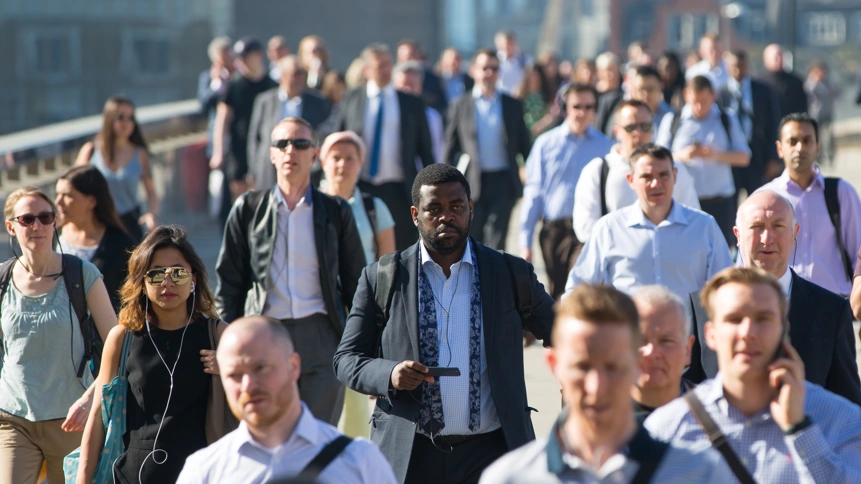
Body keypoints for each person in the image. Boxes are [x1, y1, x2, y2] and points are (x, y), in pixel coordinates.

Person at [334, 163, 556, 484]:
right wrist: (390, 374)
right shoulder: (383, 277)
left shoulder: (509, 273)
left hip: (492, 452)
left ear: (471, 209)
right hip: (411, 453)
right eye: (434, 209)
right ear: (415, 214)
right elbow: (346, 360)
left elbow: (564, 333)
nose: (446, 217)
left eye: (456, 207)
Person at [479, 285, 730, 484]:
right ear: (555, 366)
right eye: (582, 367)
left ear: (637, 364)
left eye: (613, 367)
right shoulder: (510, 478)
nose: (597, 387)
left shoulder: (701, 474)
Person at [646, 267, 861, 482]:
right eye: (734, 319)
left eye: (762, 318)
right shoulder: (667, 429)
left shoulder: (843, 422)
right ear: (710, 334)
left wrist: (800, 430)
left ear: (783, 329)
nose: (748, 333)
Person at [216, 117, 365, 426]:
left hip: (322, 335)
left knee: (317, 436)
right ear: (272, 154)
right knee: (269, 430)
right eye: (282, 144)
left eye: (300, 144)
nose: (290, 151)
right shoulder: (248, 209)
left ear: (314, 155)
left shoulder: (337, 211)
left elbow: (357, 286)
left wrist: (362, 342)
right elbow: (229, 283)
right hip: (265, 334)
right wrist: (225, 339)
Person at [76, 225, 225, 484]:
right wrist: (83, 479)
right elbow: (98, 416)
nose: (167, 282)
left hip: (202, 473)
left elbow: (255, 395)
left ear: (194, 279)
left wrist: (231, 371)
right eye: (156, 274)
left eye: (178, 273)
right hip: (134, 474)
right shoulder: (122, 338)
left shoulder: (219, 334)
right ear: (142, 283)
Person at [685, 190, 861, 405]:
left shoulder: (831, 311)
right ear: (737, 235)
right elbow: (687, 392)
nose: (767, 239)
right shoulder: (702, 308)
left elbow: (847, 402)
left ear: (795, 233)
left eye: (778, 226)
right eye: (757, 227)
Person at [176, 316, 397, 484]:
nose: (248, 386)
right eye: (234, 375)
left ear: (293, 366)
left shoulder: (359, 461)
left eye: (260, 368)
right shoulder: (205, 471)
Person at [0, 187, 117, 484]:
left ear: (55, 222)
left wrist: (91, 399)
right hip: (13, 417)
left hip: (72, 418)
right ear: (11, 227)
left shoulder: (82, 274)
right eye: (27, 219)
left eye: (45, 217)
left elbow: (118, 346)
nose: (37, 226)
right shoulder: (2, 280)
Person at [565, 143, 732, 299]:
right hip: (628, 322)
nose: (656, 184)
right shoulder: (609, 228)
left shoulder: (703, 226)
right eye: (647, 176)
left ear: (675, 176)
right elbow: (578, 288)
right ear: (631, 180)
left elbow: (727, 287)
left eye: (663, 175)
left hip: (686, 322)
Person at [319, 131, 395, 438]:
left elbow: (388, 265)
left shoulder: (374, 207)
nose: (342, 165)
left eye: (350, 158)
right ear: (322, 162)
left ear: (360, 164)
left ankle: (354, 447)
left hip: (360, 307)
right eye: (335, 158)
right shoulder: (309, 205)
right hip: (320, 306)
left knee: (355, 386)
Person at [336, 43, 435, 251]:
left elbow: (425, 150)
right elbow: (338, 136)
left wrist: (432, 185)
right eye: (379, 66)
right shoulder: (352, 99)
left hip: (398, 188)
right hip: (361, 185)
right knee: (360, 245)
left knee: (400, 247)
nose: (386, 70)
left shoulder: (411, 103)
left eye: (388, 64)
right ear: (366, 70)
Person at [520, 83, 612, 299]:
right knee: (557, 293)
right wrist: (525, 241)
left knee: (579, 291)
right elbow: (534, 192)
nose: (582, 113)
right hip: (554, 231)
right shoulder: (545, 144)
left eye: (589, 107)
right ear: (565, 108)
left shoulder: (605, 146)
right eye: (577, 106)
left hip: (588, 231)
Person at [757, 112, 861, 297]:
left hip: (834, 304)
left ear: (818, 147)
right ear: (780, 148)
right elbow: (748, 262)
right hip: (782, 304)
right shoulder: (764, 198)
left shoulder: (841, 192)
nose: (800, 148)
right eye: (792, 141)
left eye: (807, 141)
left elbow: (858, 253)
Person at [573, 100, 699, 247]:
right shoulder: (597, 170)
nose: (638, 133)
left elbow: (692, 218)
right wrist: (630, 245)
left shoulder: (673, 167)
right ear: (617, 132)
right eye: (630, 127)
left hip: (668, 254)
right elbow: (585, 227)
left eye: (645, 127)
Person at [444, 48, 531, 250]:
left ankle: (494, 271)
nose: (490, 73)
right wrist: (446, 182)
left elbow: (524, 144)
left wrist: (529, 172)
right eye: (485, 68)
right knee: (473, 237)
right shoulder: (460, 105)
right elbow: (450, 146)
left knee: (497, 238)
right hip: (472, 181)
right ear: (474, 70)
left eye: (494, 68)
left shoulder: (512, 104)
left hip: (504, 180)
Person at [654, 75, 751, 247]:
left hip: (720, 203)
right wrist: (683, 156)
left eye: (704, 101)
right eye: (695, 101)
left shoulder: (727, 118)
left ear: (713, 95)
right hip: (684, 203)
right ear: (686, 95)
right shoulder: (673, 120)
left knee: (721, 252)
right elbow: (657, 158)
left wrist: (715, 155)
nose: (699, 107)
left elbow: (744, 157)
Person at [210, 37, 278, 226]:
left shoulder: (271, 85)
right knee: (239, 198)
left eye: (245, 57)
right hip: (238, 148)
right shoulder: (235, 84)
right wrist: (218, 152)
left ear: (258, 55)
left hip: (264, 148)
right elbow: (222, 119)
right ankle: (240, 234)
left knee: (262, 195)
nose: (241, 62)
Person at [75, 96, 158, 242]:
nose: (126, 123)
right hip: (98, 223)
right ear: (109, 119)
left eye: (130, 118)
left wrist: (151, 214)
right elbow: (73, 188)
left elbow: (151, 192)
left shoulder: (140, 154)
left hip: (130, 224)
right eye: (121, 117)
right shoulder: (91, 151)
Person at [56, 165, 136, 312]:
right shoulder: (50, 236)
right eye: (58, 194)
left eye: (67, 195)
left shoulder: (120, 245)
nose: (58, 201)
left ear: (92, 201)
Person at [247, 55, 332, 190]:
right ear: (282, 76)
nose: (300, 78)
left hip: (305, 170)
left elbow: (323, 134)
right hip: (268, 171)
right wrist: (254, 170)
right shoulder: (265, 101)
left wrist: (315, 165)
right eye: (295, 74)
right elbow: (255, 137)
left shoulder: (318, 102)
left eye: (302, 74)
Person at [717, 49, 781, 195]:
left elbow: (774, 124)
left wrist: (773, 157)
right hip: (731, 155)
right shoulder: (721, 94)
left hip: (757, 154)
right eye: (734, 66)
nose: (738, 70)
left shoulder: (763, 90)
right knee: (731, 200)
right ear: (727, 66)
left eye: (741, 65)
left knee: (759, 196)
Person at [630, 286, 694, 422]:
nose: (651, 353)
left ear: (687, 349)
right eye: (640, 341)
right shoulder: (597, 415)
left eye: (666, 341)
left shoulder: (717, 416)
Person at [393, 61, 444, 164]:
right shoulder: (388, 113)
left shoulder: (432, 117)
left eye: (412, 85)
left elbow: (436, 152)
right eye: (403, 85)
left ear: (420, 87)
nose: (407, 90)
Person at [198, 36, 235, 159]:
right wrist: (217, 85)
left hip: (238, 135)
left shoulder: (239, 76)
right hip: (217, 134)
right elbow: (203, 104)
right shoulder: (207, 77)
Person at [396, 39, 447, 116]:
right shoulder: (389, 78)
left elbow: (441, 105)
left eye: (412, 55)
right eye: (405, 57)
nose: (409, 60)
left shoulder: (432, 79)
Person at [805, 60, 840, 165]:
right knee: (815, 136)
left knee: (828, 136)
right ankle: (817, 156)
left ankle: (829, 156)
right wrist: (814, 81)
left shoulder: (829, 84)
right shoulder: (809, 83)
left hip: (827, 114)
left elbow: (836, 92)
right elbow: (808, 93)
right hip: (814, 115)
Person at [761, 43, 808, 117]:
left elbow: (802, 107)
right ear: (766, 60)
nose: (779, 60)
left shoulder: (795, 82)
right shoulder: (760, 82)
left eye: (781, 56)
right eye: (776, 57)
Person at [513, 65, 556, 138]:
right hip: (524, 134)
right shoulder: (519, 95)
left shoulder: (547, 94)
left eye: (536, 78)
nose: (534, 80)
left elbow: (552, 114)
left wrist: (541, 124)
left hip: (543, 134)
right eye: (531, 78)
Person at [495, 30, 532, 95]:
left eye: (511, 43)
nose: (509, 47)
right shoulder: (494, 60)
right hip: (500, 96)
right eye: (506, 44)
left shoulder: (525, 59)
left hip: (520, 96)